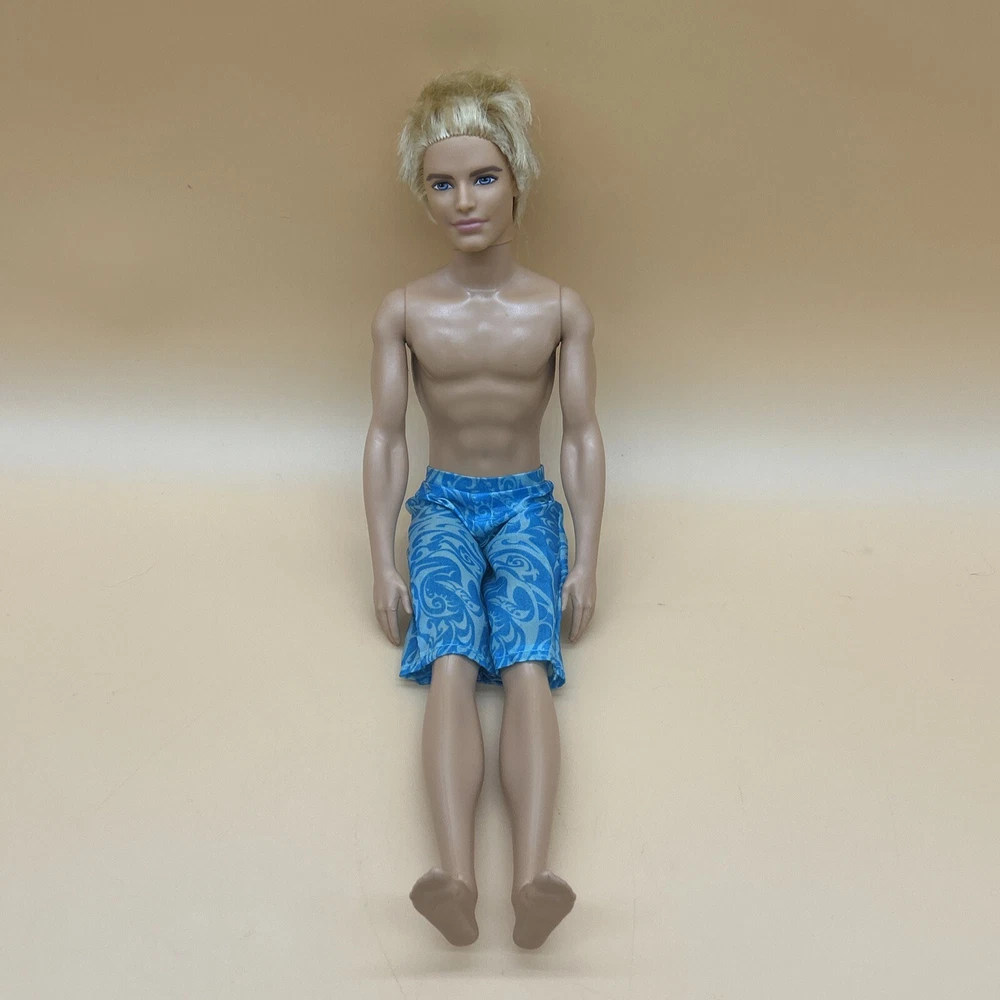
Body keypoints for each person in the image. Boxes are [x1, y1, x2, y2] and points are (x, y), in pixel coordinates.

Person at [362, 69, 605, 949]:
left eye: (484, 177)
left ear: (517, 180)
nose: (464, 201)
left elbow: (581, 434)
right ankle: (456, 878)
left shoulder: (560, 307)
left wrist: (585, 555)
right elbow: (386, 436)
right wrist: (384, 559)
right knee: (453, 659)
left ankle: (535, 878)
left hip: (528, 506)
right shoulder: (404, 310)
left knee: (530, 659)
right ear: (424, 194)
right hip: (442, 507)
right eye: (442, 183)